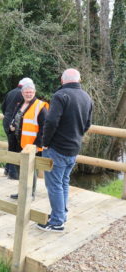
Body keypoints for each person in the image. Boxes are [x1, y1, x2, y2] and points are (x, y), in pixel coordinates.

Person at [38, 68, 93, 232]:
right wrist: (76, 135)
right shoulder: (87, 97)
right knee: (63, 182)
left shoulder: (60, 96)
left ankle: (56, 222)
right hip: (74, 147)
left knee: (54, 185)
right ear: (79, 80)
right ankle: (61, 214)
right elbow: (88, 124)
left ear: (62, 81)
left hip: (57, 148)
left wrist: (45, 142)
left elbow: (51, 121)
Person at [8, 82, 49, 200]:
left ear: (34, 92)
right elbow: (17, 119)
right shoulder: (20, 104)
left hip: (31, 145)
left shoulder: (40, 106)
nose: (29, 94)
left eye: (31, 92)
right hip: (18, 142)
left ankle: (30, 194)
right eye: (26, 92)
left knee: (30, 170)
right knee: (20, 168)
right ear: (22, 93)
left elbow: (44, 128)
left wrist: (37, 145)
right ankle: (22, 192)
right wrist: (12, 126)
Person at [1, 77, 34, 180]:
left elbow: (3, 107)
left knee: (11, 146)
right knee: (16, 147)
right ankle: (13, 173)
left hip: (7, 121)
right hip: (16, 123)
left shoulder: (11, 92)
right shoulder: (23, 94)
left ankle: (7, 169)